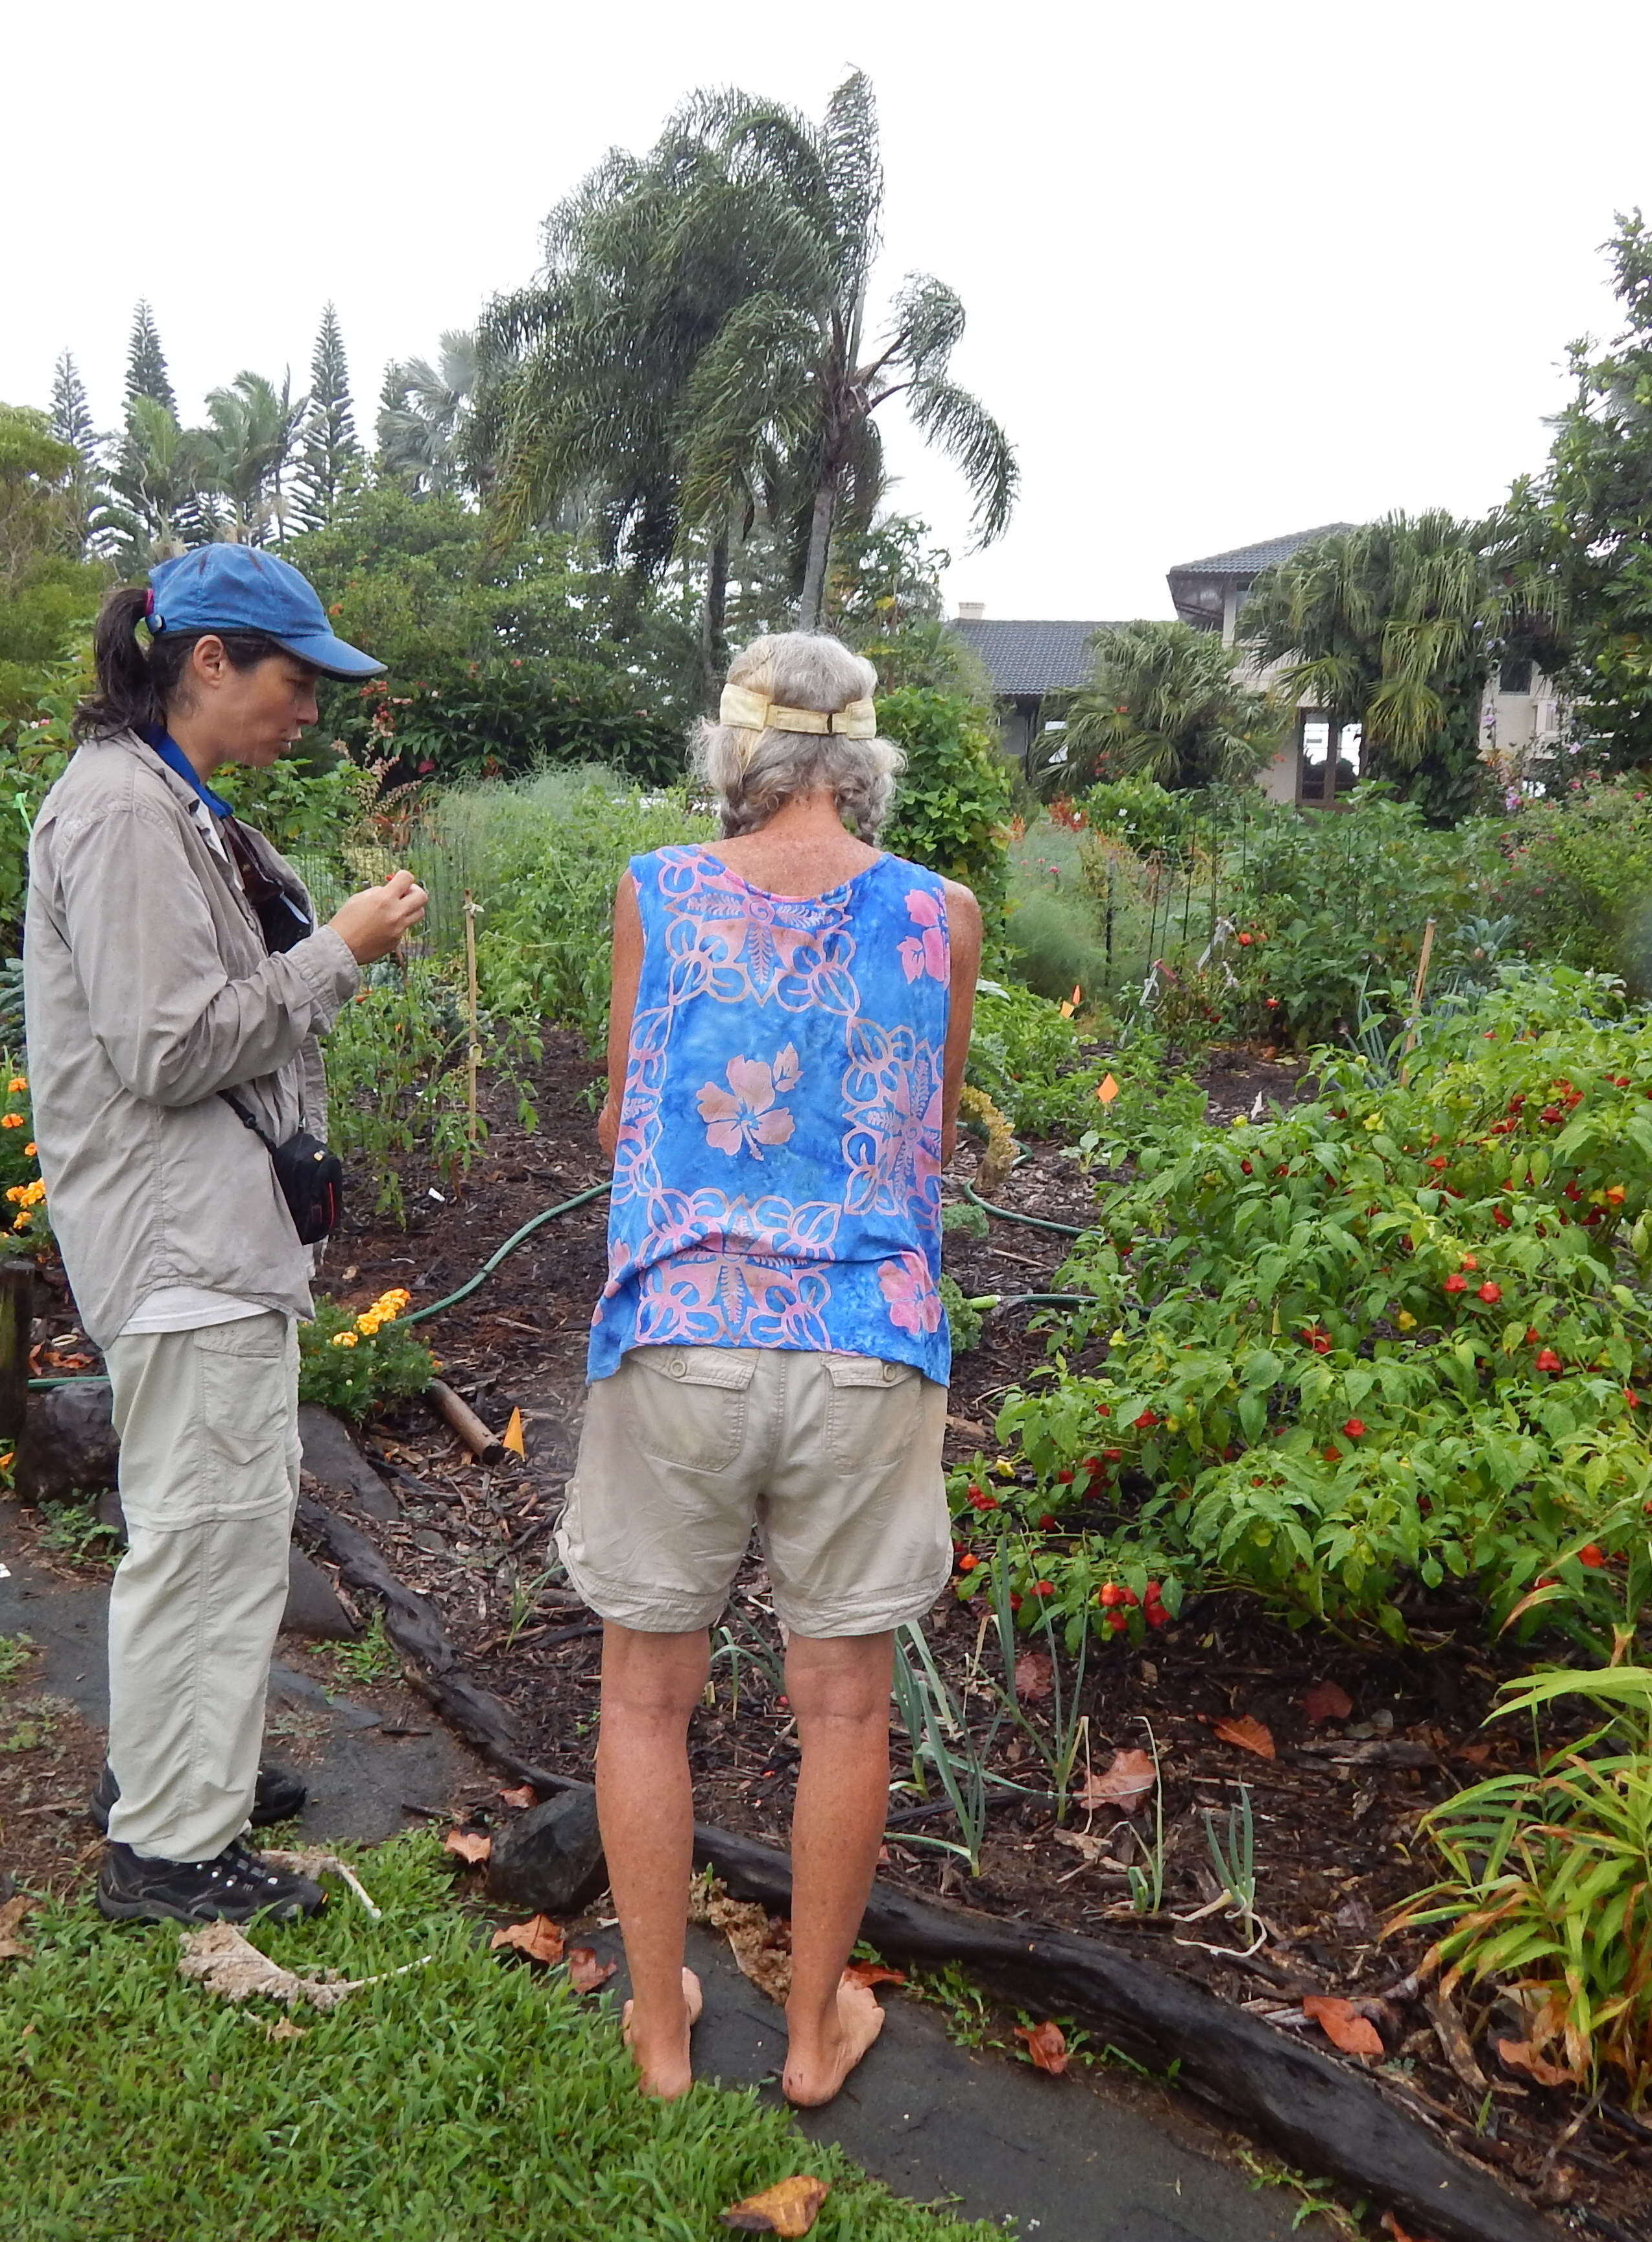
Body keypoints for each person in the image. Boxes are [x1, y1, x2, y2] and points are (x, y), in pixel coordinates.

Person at [569, 632, 981, 2104]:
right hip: (867, 1342)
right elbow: (923, 1127)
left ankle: (662, 2035)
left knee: (643, 1695)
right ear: (863, 760)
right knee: (847, 1705)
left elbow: (628, 1116)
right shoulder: (944, 914)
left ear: (733, 755)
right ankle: (814, 2038)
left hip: (683, 1331)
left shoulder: (657, 891)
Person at [27, 544, 429, 1925]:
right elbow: (166, 1047)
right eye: (294, 678)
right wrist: (343, 954)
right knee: (206, 1535)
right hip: (180, 1241)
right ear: (208, 662)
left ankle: (176, 1769)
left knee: (211, 1524)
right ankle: (171, 1853)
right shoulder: (129, 817)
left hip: (209, 1231)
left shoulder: (167, 800)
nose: (308, 709)